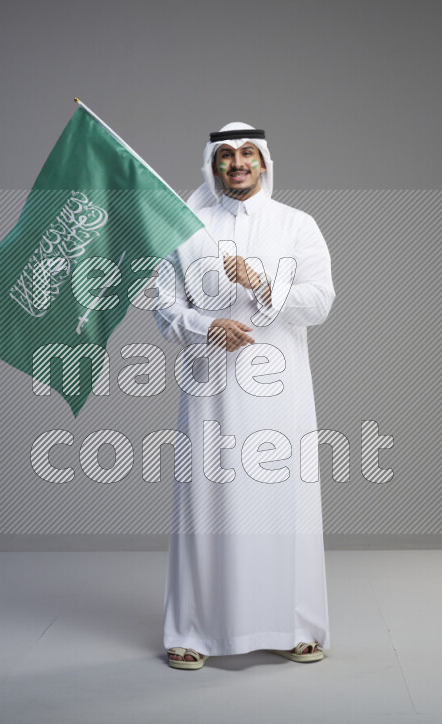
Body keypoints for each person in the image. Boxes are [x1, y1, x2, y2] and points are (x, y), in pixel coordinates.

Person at [152, 122, 335, 669]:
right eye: (226, 155)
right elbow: (163, 308)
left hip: (280, 394)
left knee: (286, 505)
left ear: (264, 163)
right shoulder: (183, 229)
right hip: (209, 392)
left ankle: (296, 626)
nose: (237, 163)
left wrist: (262, 285)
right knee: (205, 505)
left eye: (248, 154)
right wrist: (206, 326)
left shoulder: (297, 226)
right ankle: (192, 631)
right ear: (212, 165)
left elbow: (321, 302)